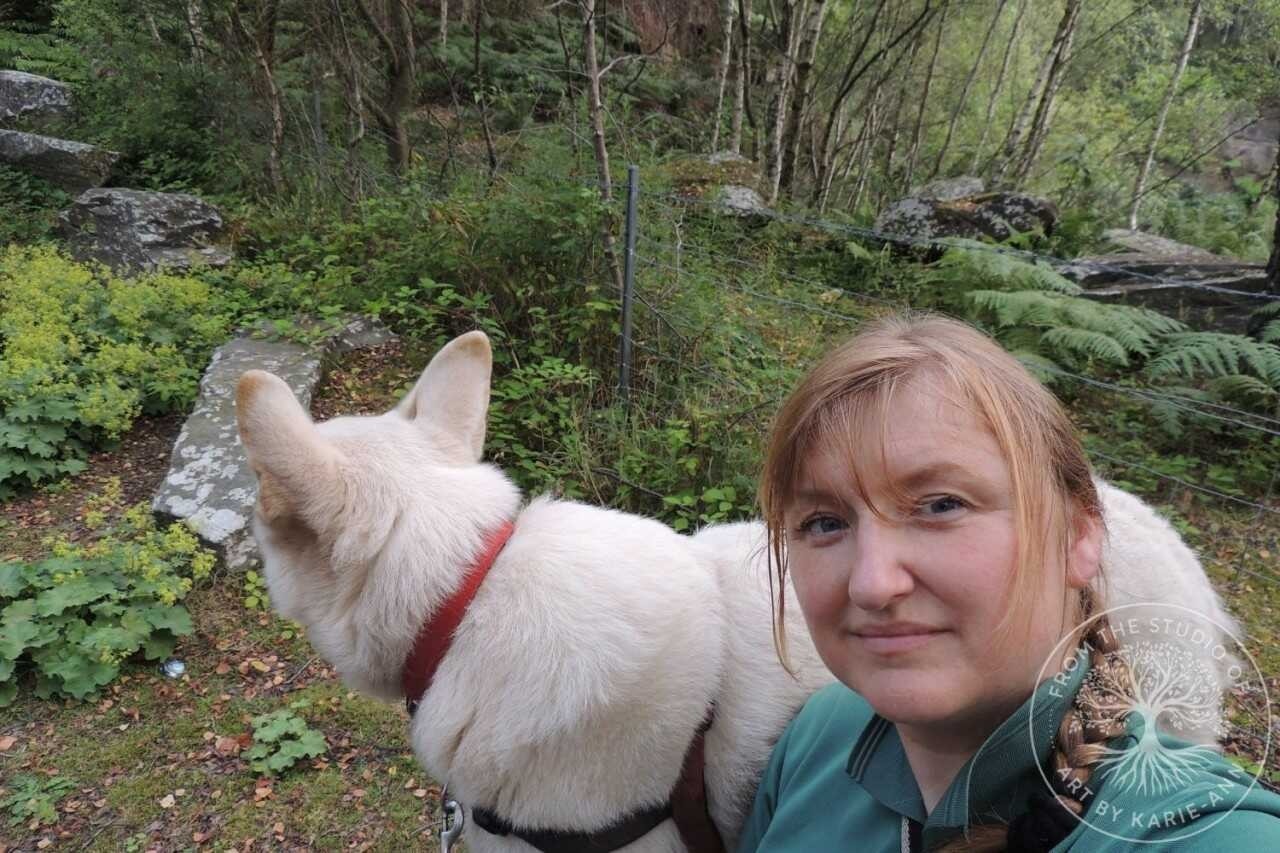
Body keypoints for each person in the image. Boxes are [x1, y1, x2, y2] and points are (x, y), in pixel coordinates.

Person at [737, 313, 1280, 852]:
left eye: (941, 505)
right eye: (825, 523)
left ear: (1078, 536)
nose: (872, 585)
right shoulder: (818, 738)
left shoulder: (1216, 838)